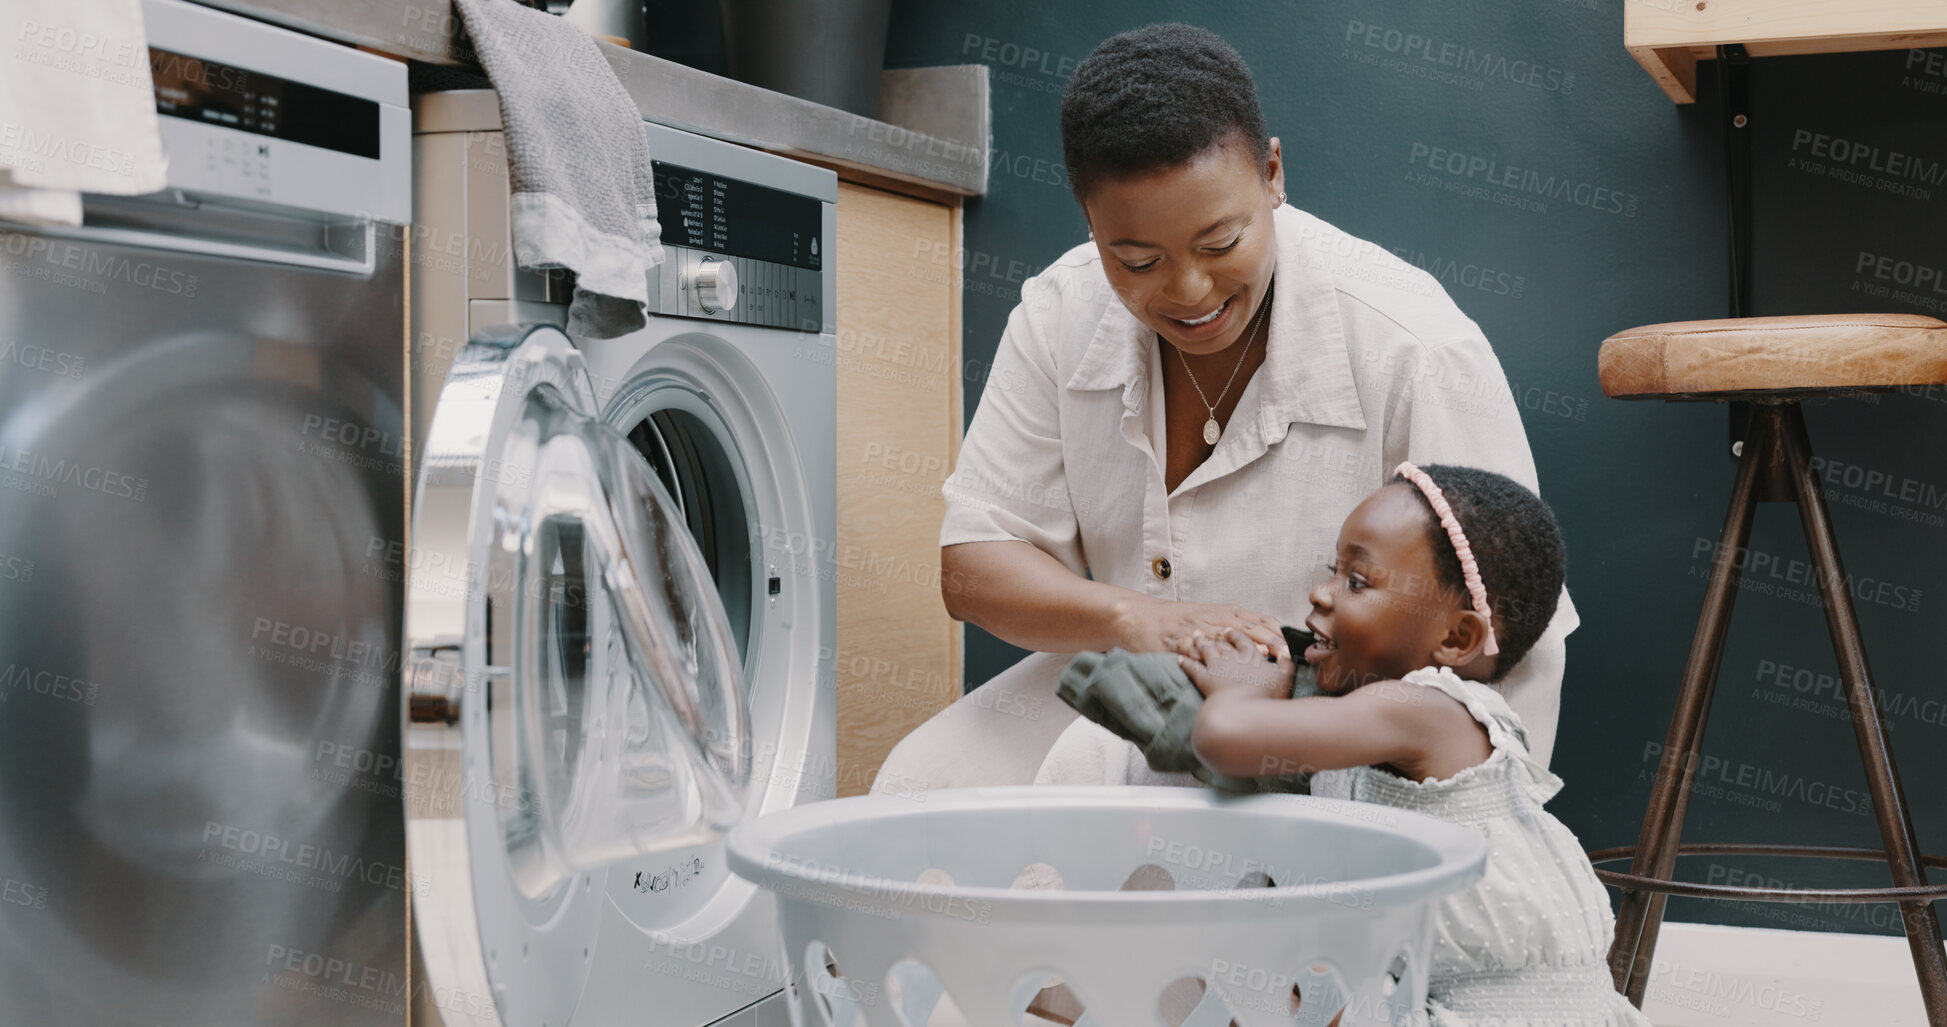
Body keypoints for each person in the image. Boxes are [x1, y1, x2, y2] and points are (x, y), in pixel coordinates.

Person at [872, 22, 1577, 794]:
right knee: (917, 785)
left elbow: (1504, 633)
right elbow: (974, 569)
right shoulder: (1056, 314)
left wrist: (1455, 822)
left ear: (1272, 174)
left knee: (1164, 865)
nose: (1187, 291)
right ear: (1090, 222)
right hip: (1136, 681)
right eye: (1136, 259)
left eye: (1219, 242)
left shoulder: (1414, 348)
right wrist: (1134, 618)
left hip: (1334, 728)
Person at [1172, 463, 1646, 1025]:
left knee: (1249, 966)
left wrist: (1246, 688)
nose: (1319, 593)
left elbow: (1228, 739)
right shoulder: (1386, 727)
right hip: (1441, 1000)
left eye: (1357, 581)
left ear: (1454, 638)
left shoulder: (1425, 709)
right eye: (1332, 569)